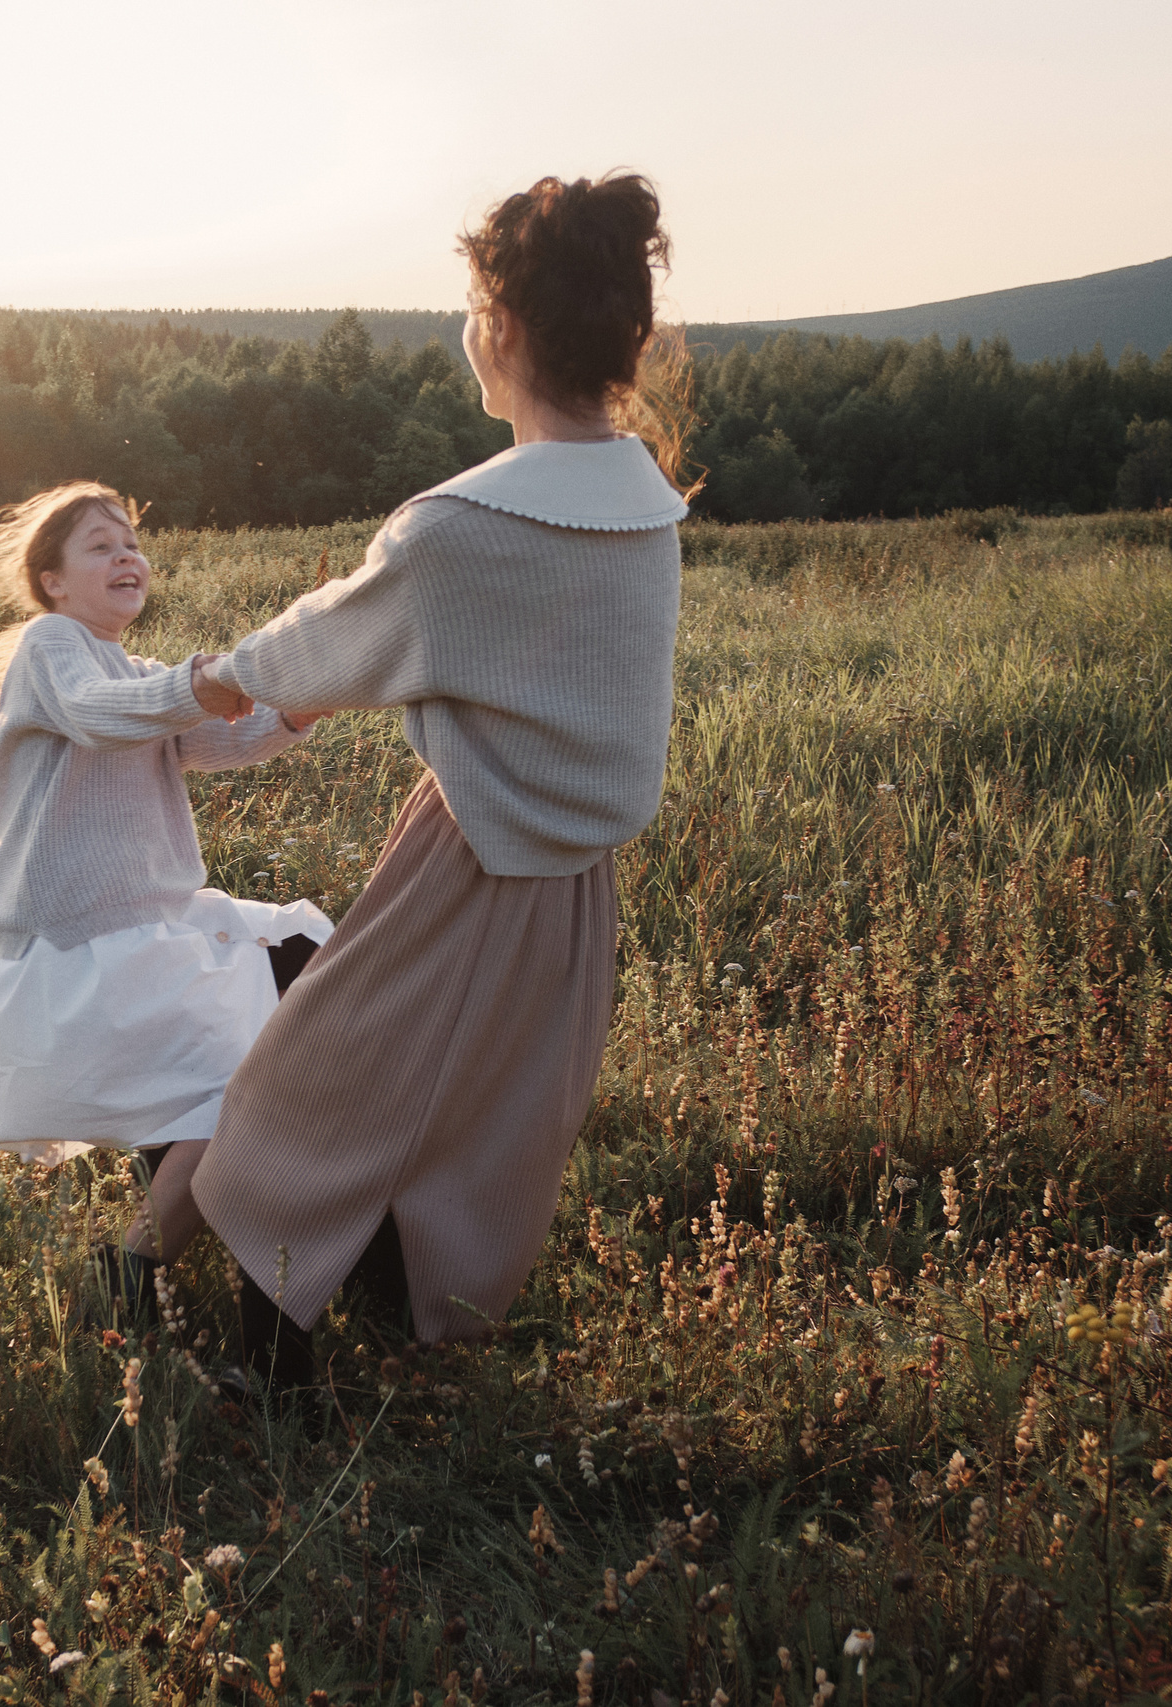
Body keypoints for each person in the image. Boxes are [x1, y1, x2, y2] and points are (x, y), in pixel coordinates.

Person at [189, 172, 693, 1387]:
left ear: (503, 327)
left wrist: (215, 679)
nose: (467, 325)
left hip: (475, 852)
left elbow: (326, 637)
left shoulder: (458, 527)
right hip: (575, 878)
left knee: (314, 1081)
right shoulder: (642, 506)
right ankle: (406, 1300)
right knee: (484, 1110)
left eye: (473, 304)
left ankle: (269, 1372)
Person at [0, 481, 332, 1311]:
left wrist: (314, 697)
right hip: (88, 956)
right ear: (52, 580)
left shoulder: (130, 669)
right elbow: (103, 714)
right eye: (100, 545)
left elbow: (221, 735)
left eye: (131, 543)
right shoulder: (51, 647)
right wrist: (204, 678)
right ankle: (136, 1268)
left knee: (250, 1080)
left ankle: (133, 1268)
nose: (127, 555)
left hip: (152, 936)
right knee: (243, 1097)